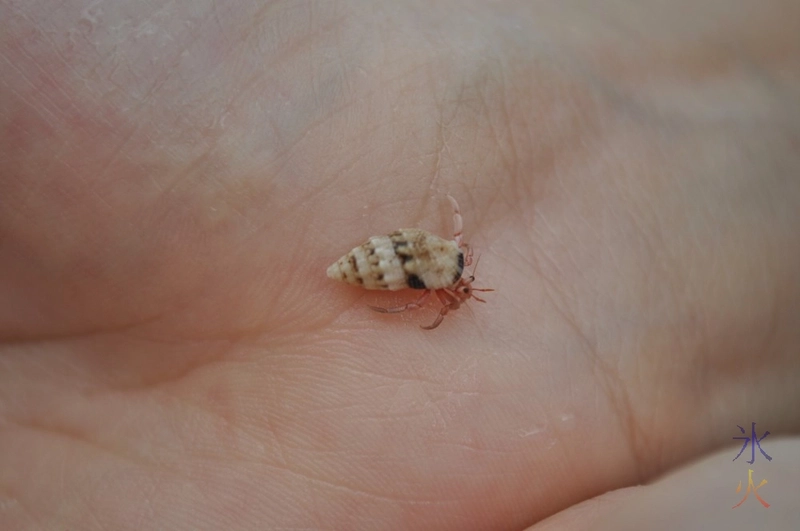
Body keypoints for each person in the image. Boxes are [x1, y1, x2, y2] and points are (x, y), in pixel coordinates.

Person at [1, 1, 798, 529]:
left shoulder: (444, 269)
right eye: (460, 289)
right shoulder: (441, 271)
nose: (464, 294)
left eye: (459, 292)